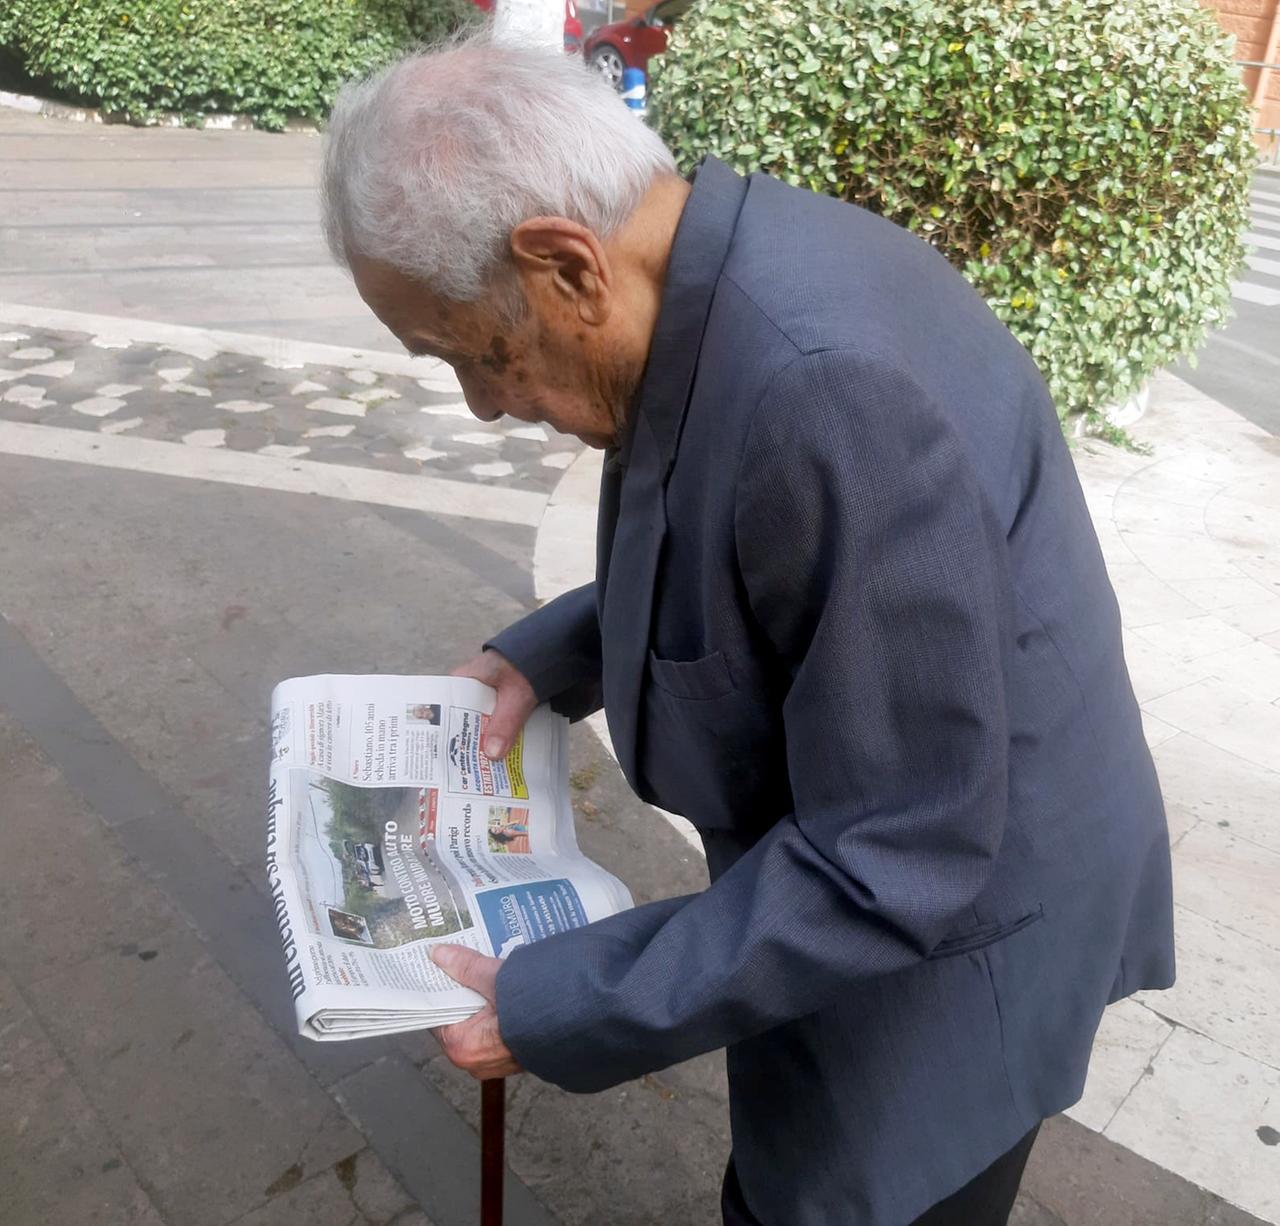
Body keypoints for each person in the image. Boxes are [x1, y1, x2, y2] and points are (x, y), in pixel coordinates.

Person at [321, 33, 1175, 1226]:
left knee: (839, 1197)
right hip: (907, 828)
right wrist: (550, 655)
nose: (487, 403)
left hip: (960, 924)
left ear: (566, 264)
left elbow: (896, 851)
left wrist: (563, 997)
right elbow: (746, 544)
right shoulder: (711, 265)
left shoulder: (825, 382)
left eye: (479, 353)